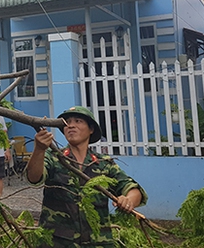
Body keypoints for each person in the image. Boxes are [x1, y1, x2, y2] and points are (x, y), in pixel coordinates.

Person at [26, 106, 148, 247]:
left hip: (98, 242)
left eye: (78, 121)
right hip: (57, 242)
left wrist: (128, 200)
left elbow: (131, 188)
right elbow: (34, 178)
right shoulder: (53, 158)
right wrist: (39, 150)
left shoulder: (104, 163)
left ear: (91, 129)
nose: (71, 125)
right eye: (67, 122)